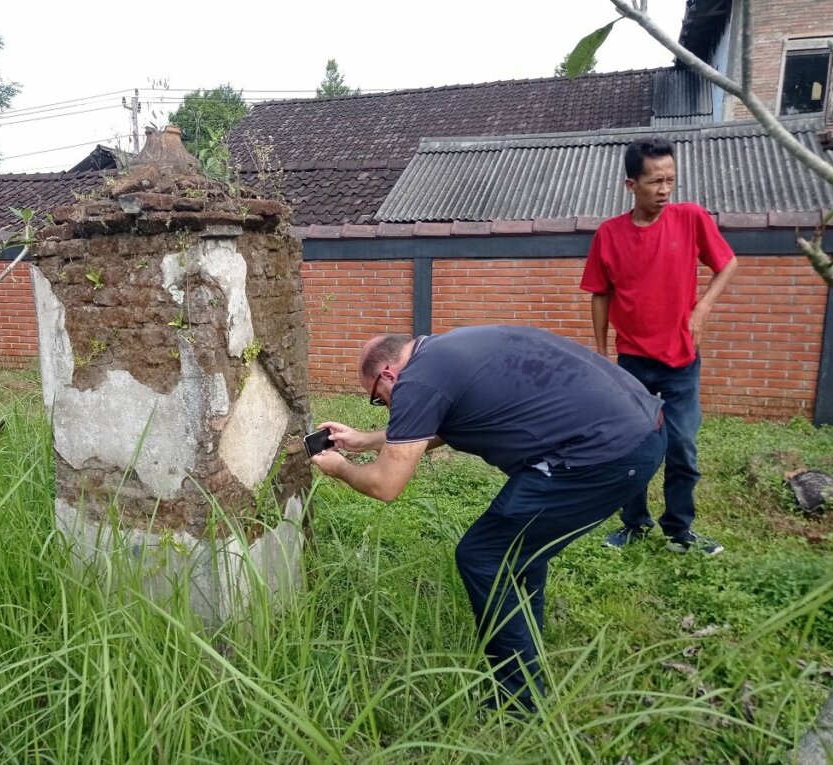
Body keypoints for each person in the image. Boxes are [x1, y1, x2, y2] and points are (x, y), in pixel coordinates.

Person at [309, 325, 665, 713]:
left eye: (380, 400)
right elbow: (438, 425)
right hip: (638, 432)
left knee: (484, 556)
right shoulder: (444, 352)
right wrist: (363, 440)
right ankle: (526, 643)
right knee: (521, 545)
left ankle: (518, 701)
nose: (389, 407)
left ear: (389, 375)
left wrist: (341, 468)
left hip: (602, 456)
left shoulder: (418, 380)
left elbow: (385, 485)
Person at [580, 138, 737, 555]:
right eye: (655, 181)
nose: (665, 189)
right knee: (632, 444)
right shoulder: (610, 234)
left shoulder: (690, 218)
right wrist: (601, 350)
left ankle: (679, 530)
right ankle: (634, 523)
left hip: (681, 360)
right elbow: (600, 293)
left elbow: (727, 263)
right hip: (631, 362)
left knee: (682, 445)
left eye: (671, 180)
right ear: (631, 184)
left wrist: (702, 308)